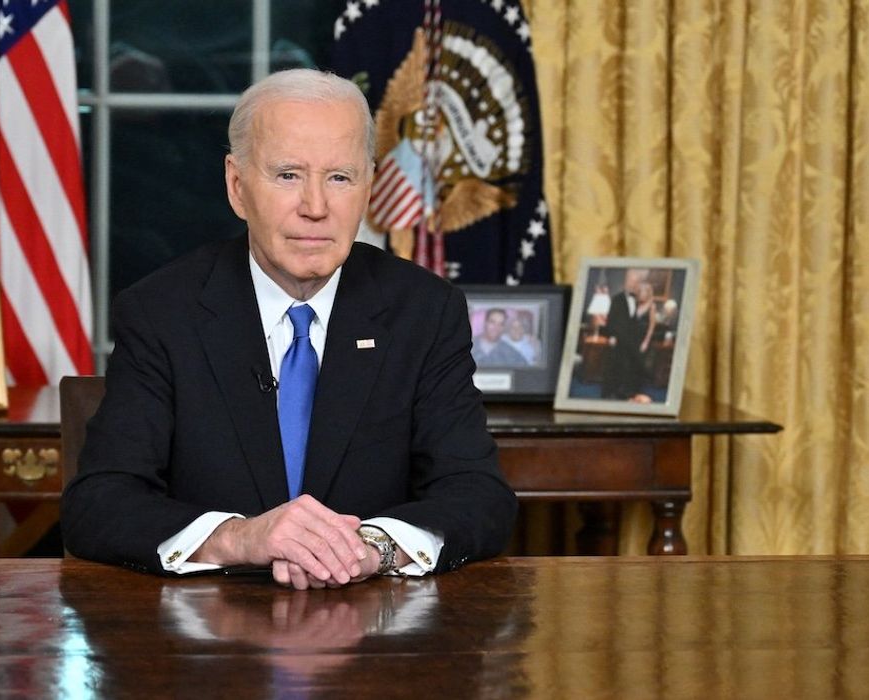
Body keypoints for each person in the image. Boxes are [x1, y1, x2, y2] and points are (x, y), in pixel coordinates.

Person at [62, 69, 516, 590]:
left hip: (375, 640)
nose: (316, 207)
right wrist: (240, 538)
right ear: (237, 186)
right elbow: (99, 501)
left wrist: (374, 548)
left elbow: (479, 495)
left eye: (340, 177)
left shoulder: (425, 311)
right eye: (288, 175)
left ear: (368, 187)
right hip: (206, 642)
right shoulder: (161, 313)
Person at [602, 269, 649, 399]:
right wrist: (611, 337)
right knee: (615, 368)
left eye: (636, 282)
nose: (633, 284)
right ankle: (609, 394)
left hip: (632, 342)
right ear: (626, 281)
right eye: (631, 281)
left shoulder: (639, 300)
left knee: (632, 368)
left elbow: (638, 323)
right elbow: (610, 322)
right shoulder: (617, 299)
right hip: (619, 340)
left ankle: (628, 394)